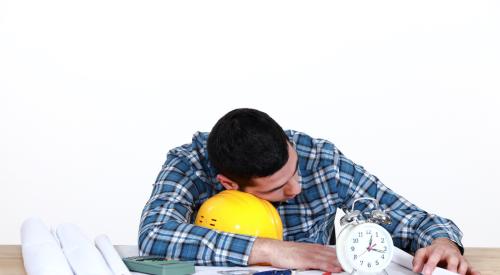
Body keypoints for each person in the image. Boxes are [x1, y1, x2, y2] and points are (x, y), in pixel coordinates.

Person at [138, 108, 478, 275]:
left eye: (295, 168)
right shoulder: (190, 163)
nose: (296, 186)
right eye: (277, 187)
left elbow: (416, 221)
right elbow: (155, 234)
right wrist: (276, 251)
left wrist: (442, 243)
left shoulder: (320, 158)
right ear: (229, 184)